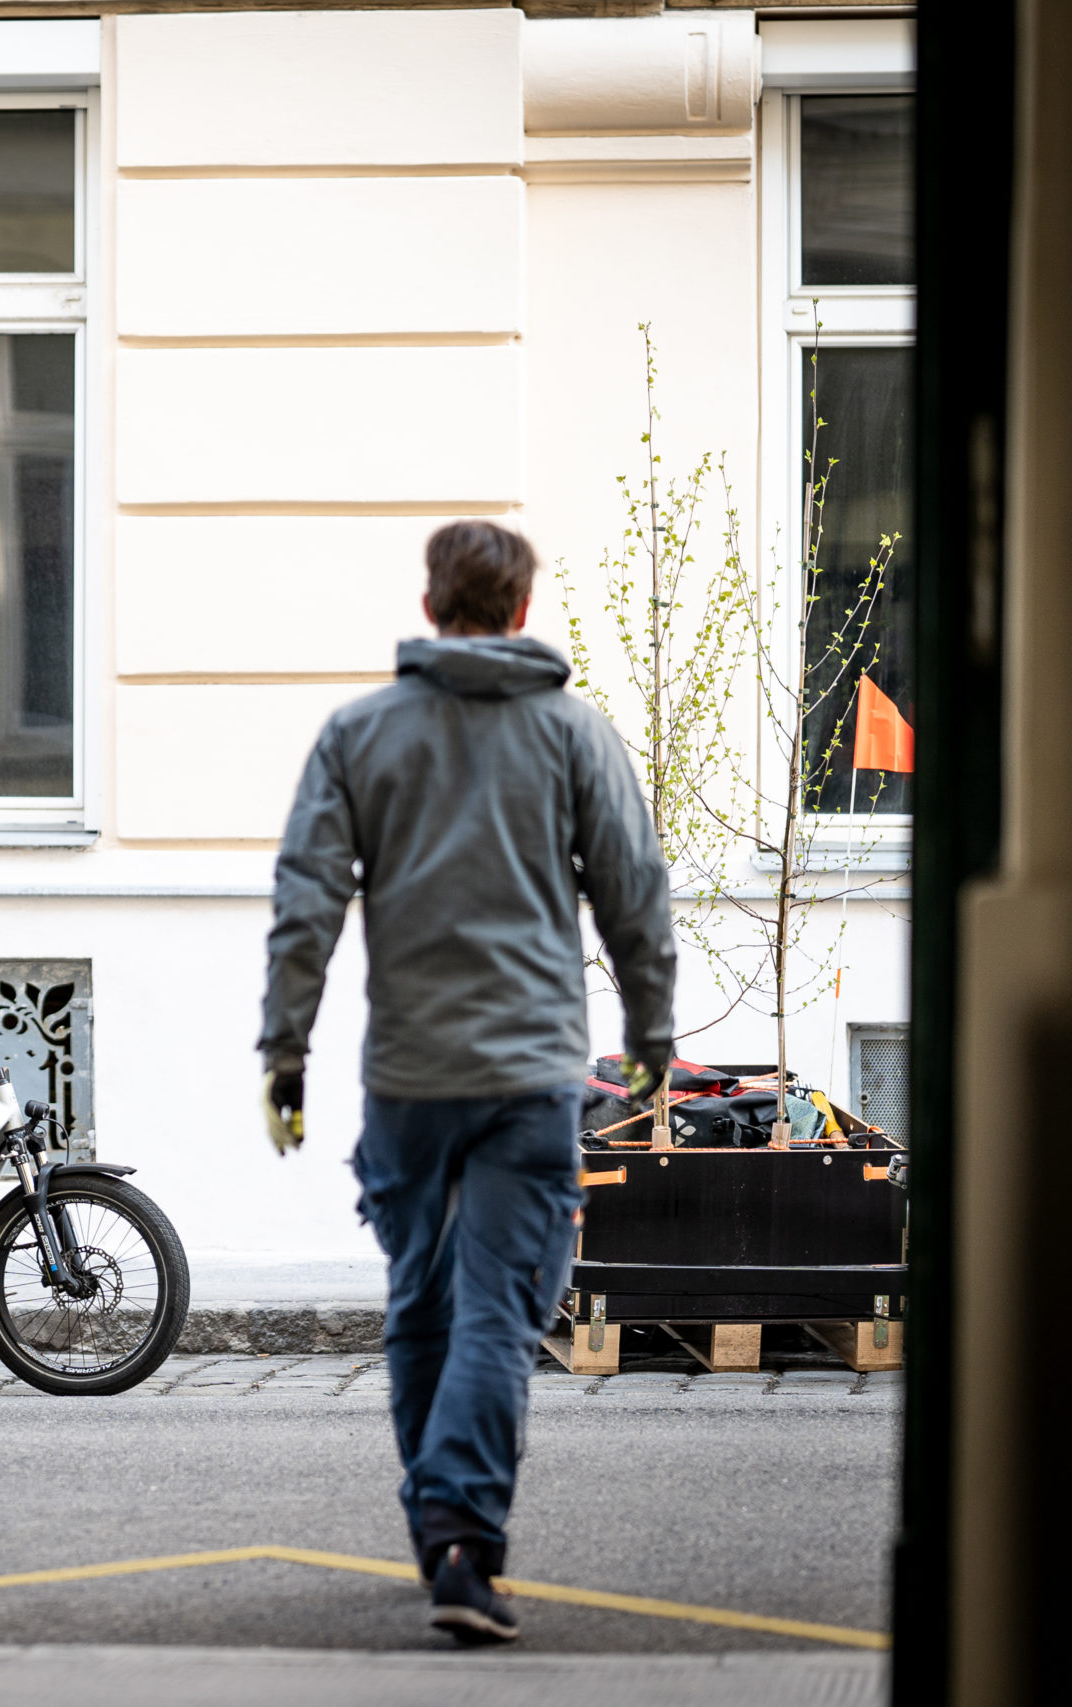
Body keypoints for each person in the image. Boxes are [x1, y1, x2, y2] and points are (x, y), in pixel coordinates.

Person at [257, 520, 675, 1645]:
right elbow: (634, 892)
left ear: (433, 605)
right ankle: (461, 1538)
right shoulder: (575, 735)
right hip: (534, 1074)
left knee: (421, 1302)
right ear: (522, 611)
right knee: (496, 1307)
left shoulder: (359, 734)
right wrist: (651, 1036)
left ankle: (436, 1527)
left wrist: (283, 1055)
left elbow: (306, 902)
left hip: (410, 1078)